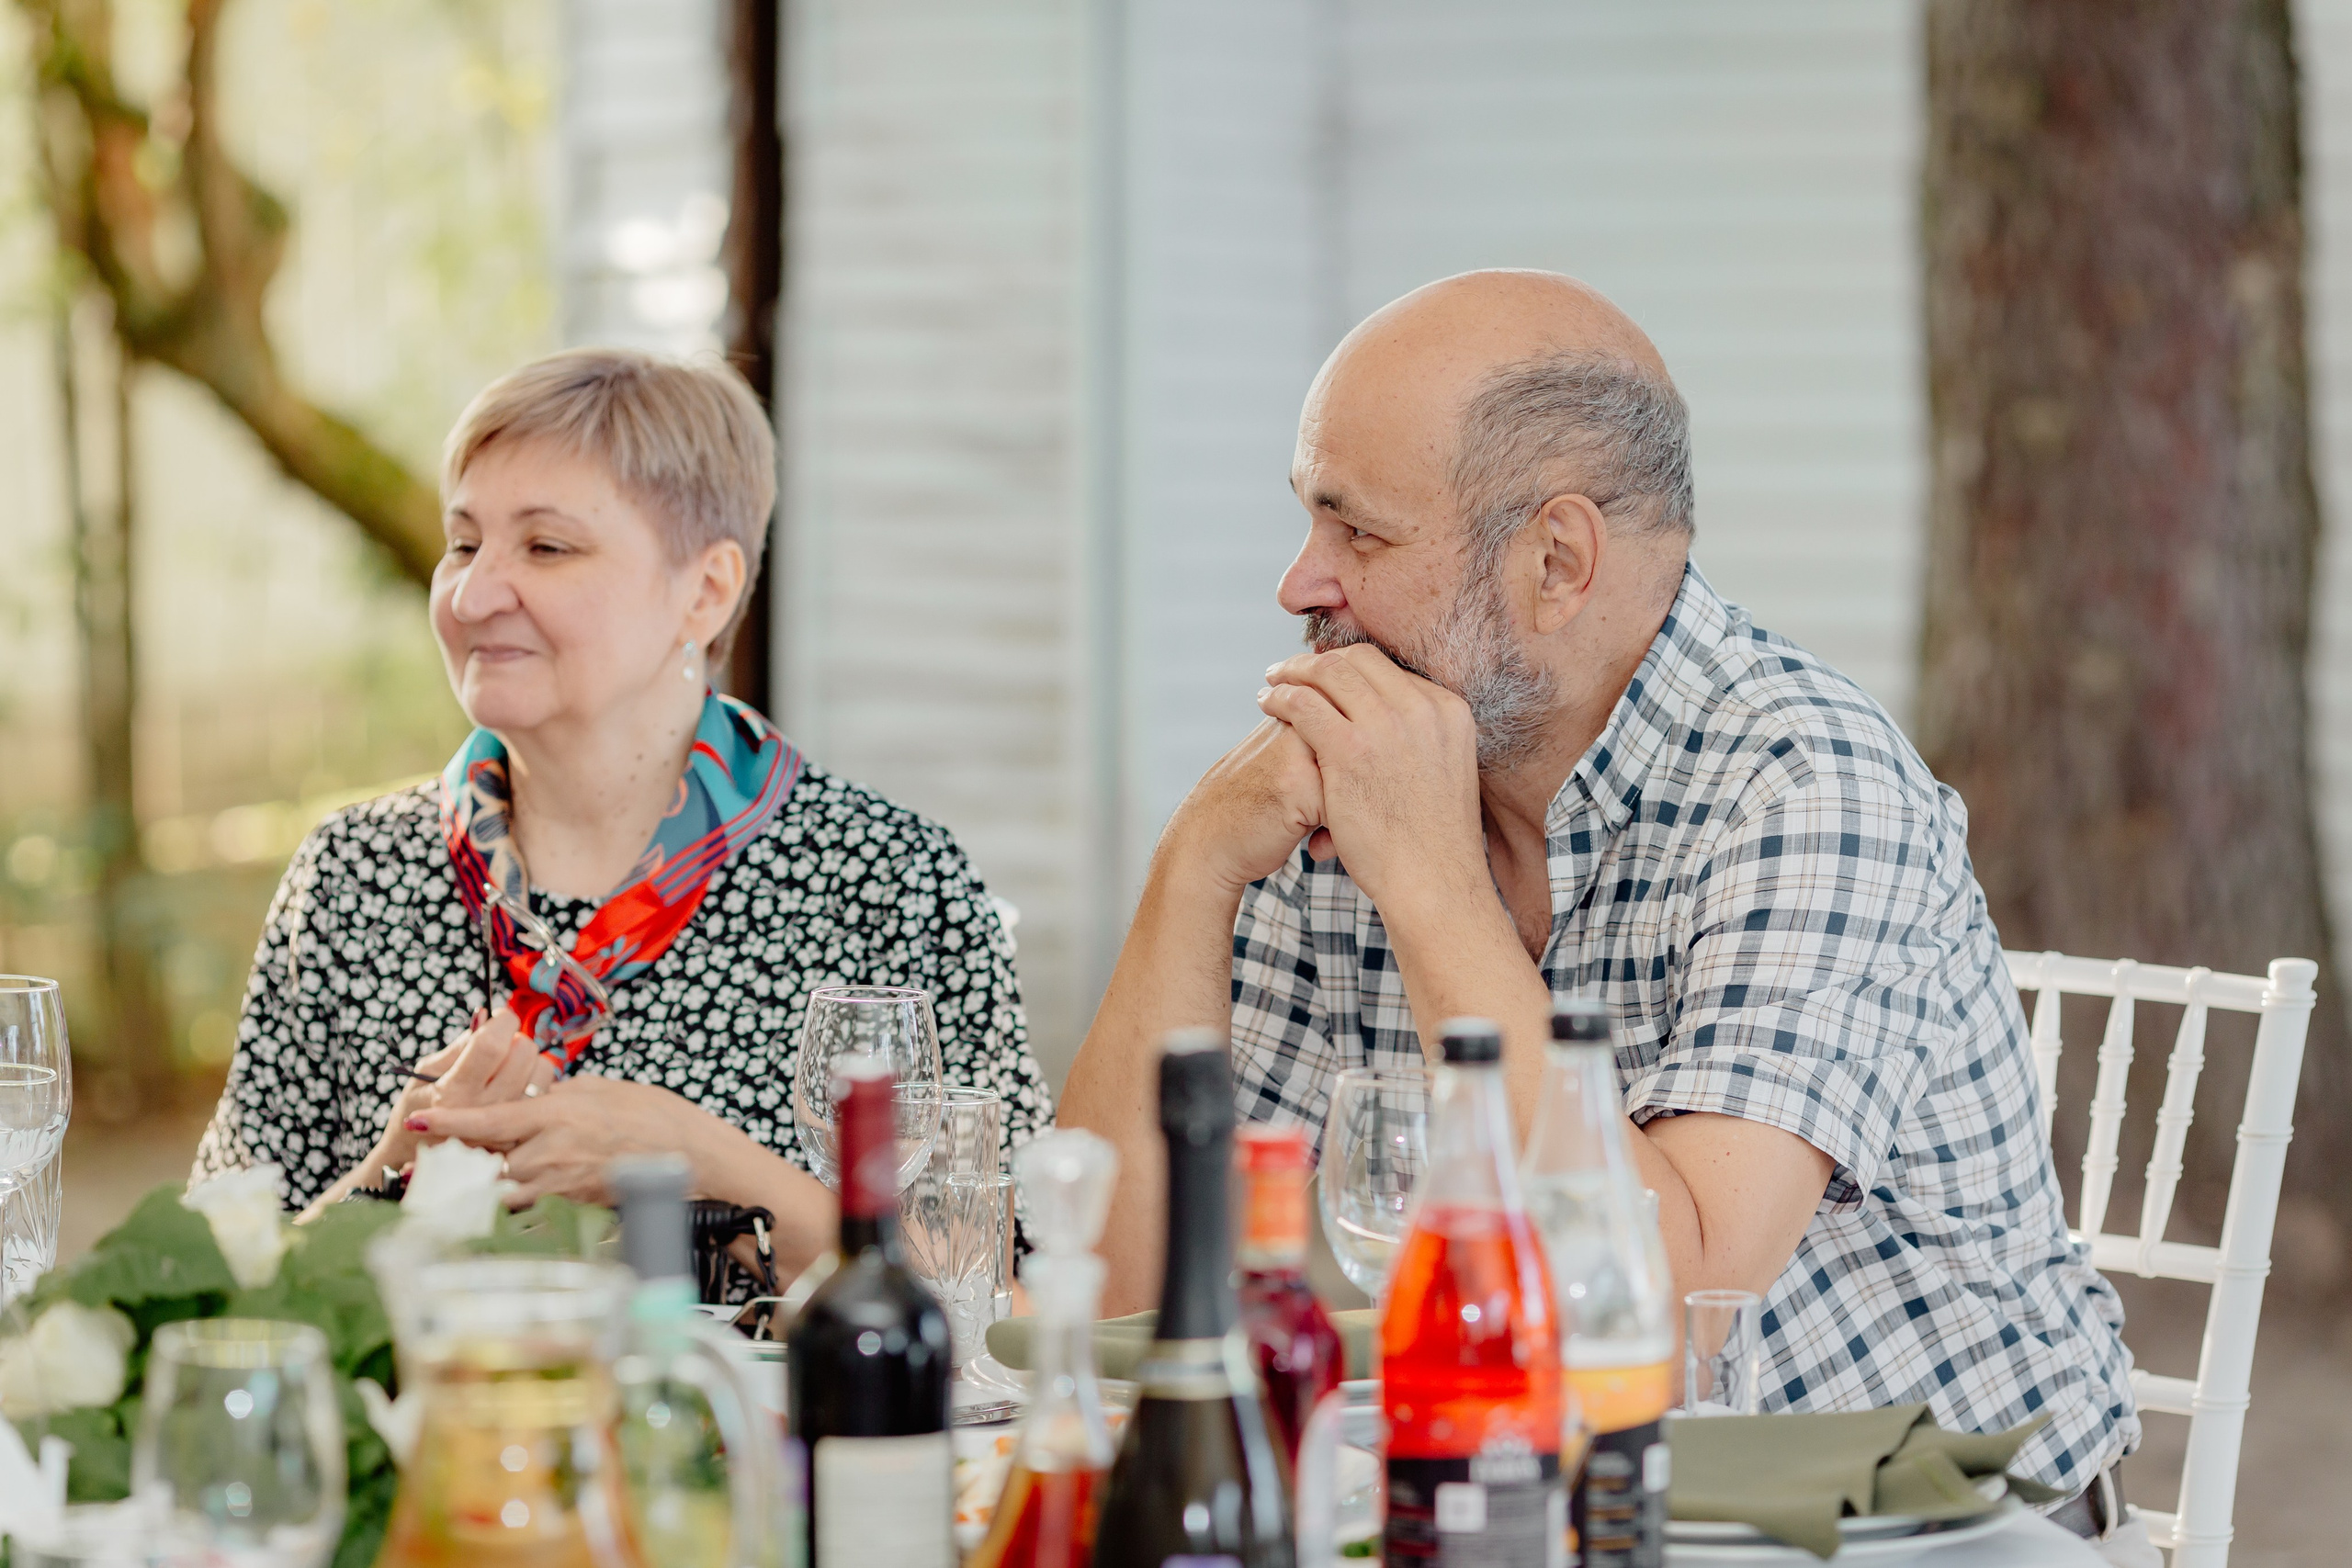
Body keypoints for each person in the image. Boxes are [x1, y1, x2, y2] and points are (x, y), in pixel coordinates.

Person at [1058, 270, 2146, 1548]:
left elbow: (1670, 1307)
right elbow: (1120, 1300)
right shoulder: (1375, 765)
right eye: (1310, 521)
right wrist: (1193, 867)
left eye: (1361, 534)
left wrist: (1428, 882)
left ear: (1557, 560)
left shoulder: (1806, 783)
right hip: (1532, 1509)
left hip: (1910, 1534)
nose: (1302, 583)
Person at [193, 348, 1049, 1280]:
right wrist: (392, 1176)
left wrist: (700, 1165)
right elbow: (199, 1295)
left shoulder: (891, 884)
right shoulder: (352, 878)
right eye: (464, 542)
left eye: (546, 547)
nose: (475, 594)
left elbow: (998, 1292)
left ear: (706, 590)